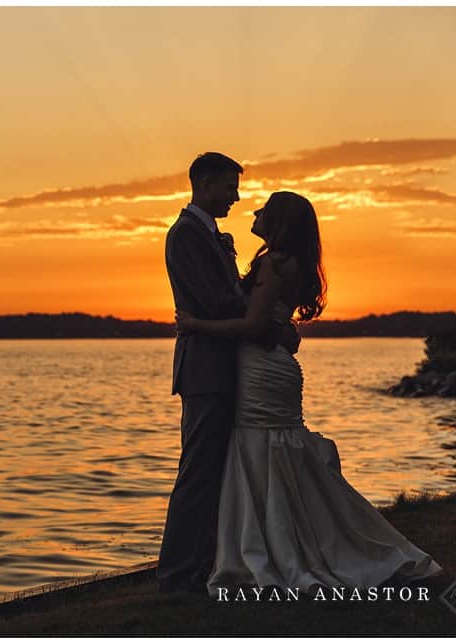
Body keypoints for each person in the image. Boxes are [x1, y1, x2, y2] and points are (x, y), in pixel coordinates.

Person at [176, 191, 442, 595]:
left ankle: (280, 548)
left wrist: (197, 326)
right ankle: (278, 541)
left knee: (267, 453)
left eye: (265, 209)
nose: (255, 211)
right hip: (267, 367)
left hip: (262, 371)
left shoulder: (275, 263)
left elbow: (251, 326)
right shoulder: (285, 262)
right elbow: (266, 321)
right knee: (272, 456)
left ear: (280, 221)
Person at [157, 153, 299, 594]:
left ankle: (207, 564)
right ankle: (177, 576)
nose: (236, 198)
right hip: (204, 370)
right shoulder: (185, 235)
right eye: (228, 188)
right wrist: (268, 317)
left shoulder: (214, 235)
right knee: (198, 473)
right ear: (203, 183)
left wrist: (264, 307)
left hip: (226, 366)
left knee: (217, 473)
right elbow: (217, 301)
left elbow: (229, 294)